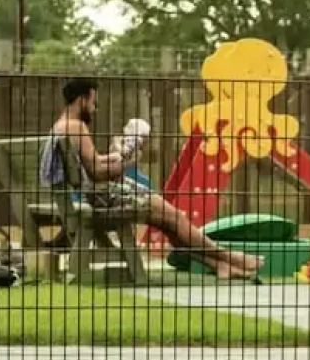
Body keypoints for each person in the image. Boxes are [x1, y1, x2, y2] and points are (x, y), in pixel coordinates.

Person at [39, 77, 262, 280]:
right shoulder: (77, 127)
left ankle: (219, 264)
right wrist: (129, 161)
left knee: (171, 221)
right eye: (93, 103)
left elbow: (92, 164)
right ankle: (230, 257)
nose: (95, 109)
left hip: (93, 194)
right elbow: (97, 172)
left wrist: (117, 154)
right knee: (176, 218)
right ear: (82, 99)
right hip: (102, 197)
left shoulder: (60, 125)